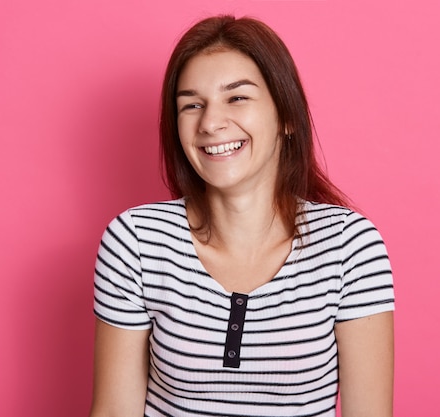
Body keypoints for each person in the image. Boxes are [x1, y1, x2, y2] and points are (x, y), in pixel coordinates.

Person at [89, 15, 394, 417]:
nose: (211, 123)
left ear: (286, 116)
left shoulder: (350, 247)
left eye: (237, 97)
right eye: (192, 105)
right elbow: (114, 411)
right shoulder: (136, 241)